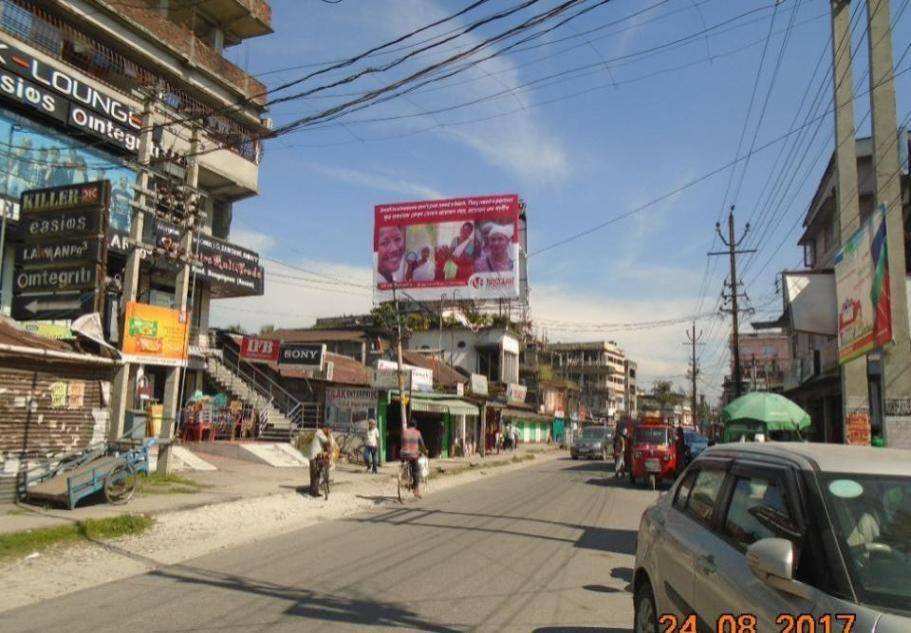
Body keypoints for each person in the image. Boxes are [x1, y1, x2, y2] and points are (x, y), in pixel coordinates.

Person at [401, 419, 427, 498]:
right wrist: (425, 451)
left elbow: (402, 442)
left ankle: (404, 475)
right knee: (416, 471)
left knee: (406, 462)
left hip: (403, 454)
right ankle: (416, 490)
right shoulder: (417, 432)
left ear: (409, 425)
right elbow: (422, 444)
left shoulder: (404, 432)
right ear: (415, 426)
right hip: (413, 455)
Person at [308, 422, 332, 497]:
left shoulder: (319, 433)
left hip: (316, 456)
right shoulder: (320, 433)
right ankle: (314, 491)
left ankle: (314, 491)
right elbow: (327, 443)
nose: (328, 430)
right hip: (314, 456)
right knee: (315, 474)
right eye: (327, 429)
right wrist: (328, 435)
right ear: (324, 428)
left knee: (316, 474)